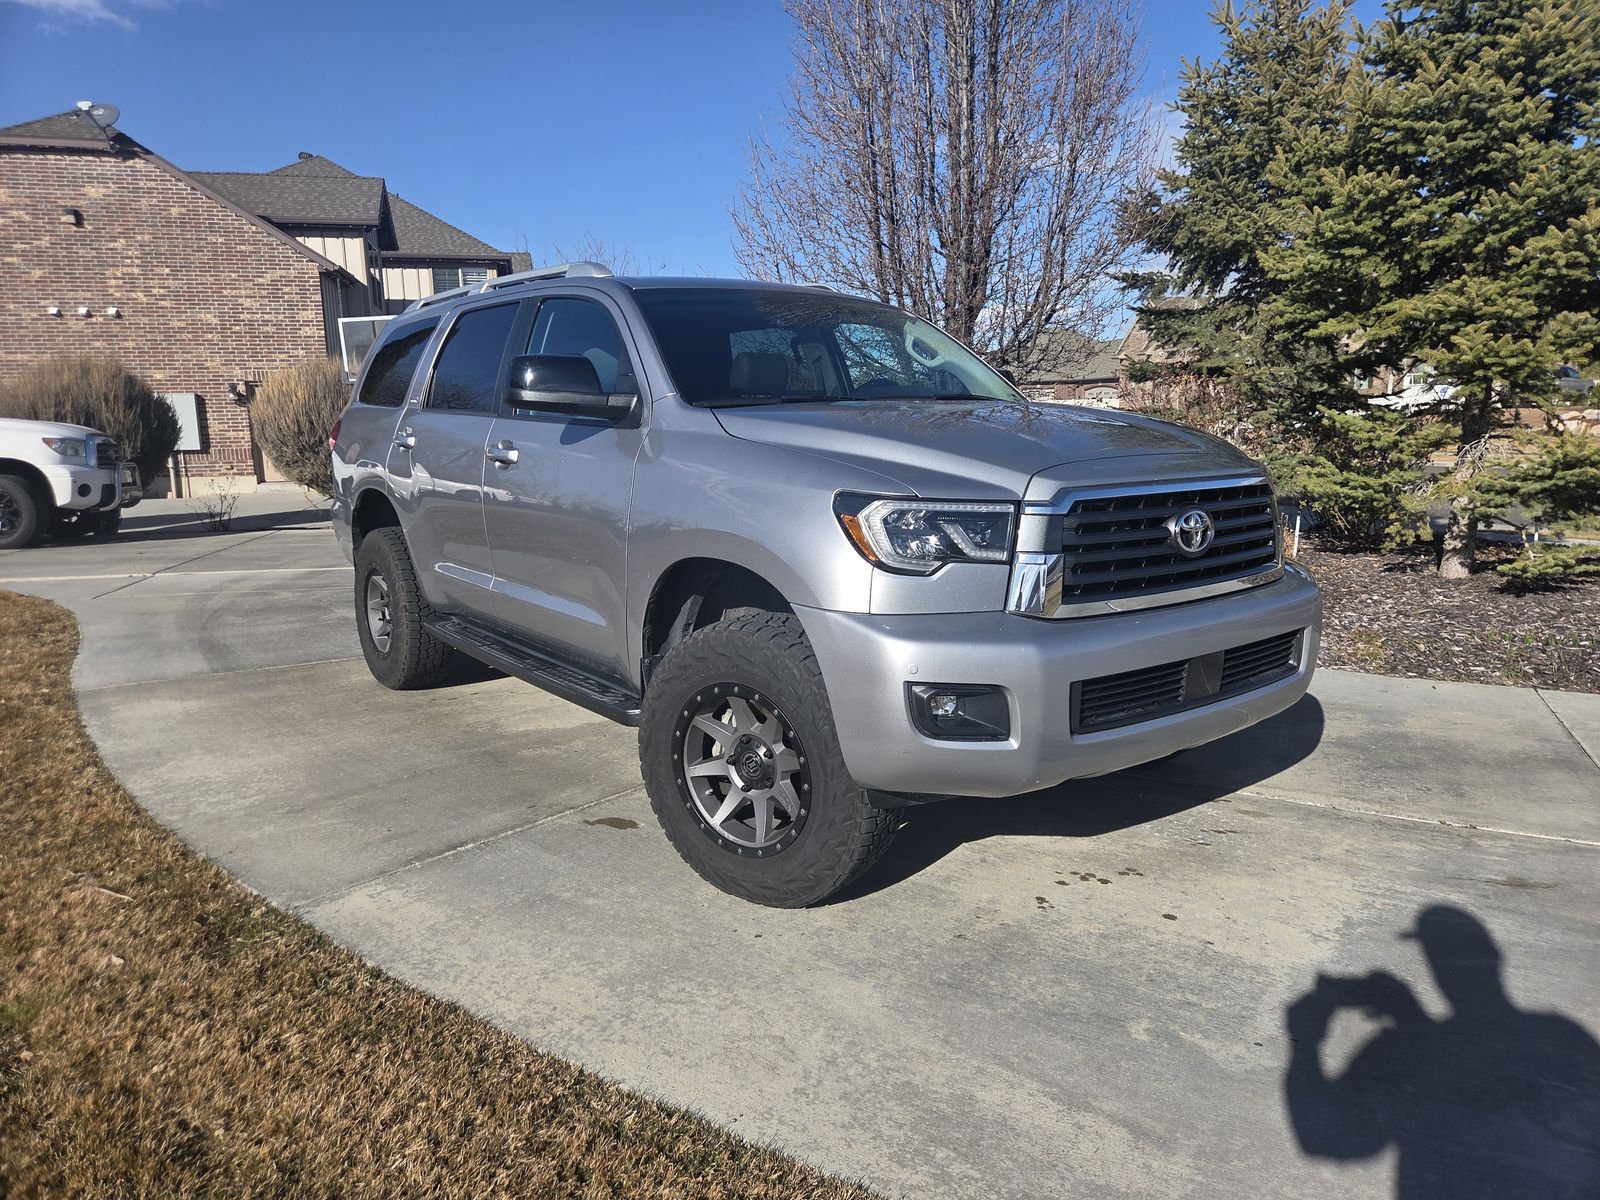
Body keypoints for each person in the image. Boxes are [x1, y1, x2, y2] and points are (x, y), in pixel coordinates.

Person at [1284, 905, 1600, 1198]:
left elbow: (1325, 1139)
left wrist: (1305, 1043)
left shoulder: (1403, 1052)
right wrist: (1411, 1019)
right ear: (1494, 956)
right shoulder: (1562, 1035)